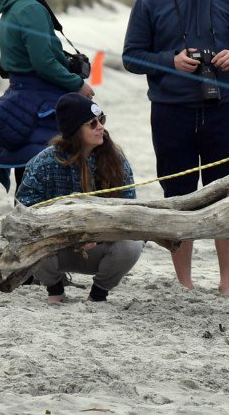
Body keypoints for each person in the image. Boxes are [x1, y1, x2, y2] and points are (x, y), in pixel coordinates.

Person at [122, 0, 229, 297]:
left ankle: (226, 286)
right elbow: (131, 57)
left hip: (223, 108)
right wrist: (170, 62)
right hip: (170, 111)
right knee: (178, 194)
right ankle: (185, 283)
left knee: (228, 194)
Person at [0, 0, 90, 190]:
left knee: (27, 178)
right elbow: (44, 63)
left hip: (20, 97)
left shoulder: (13, 6)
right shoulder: (31, 8)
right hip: (39, 102)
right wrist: (77, 84)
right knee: (45, 177)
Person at [15, 94, 144, 304]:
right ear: (74, 131)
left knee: (132, 244)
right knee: (29, 240)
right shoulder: (43, 163)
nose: (100, 127)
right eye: (92, 123)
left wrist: (99, 236)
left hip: (99, 248)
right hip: (56, 248)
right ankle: (55, 291)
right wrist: (67, 235)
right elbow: (23, 212)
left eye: (101, 120)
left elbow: (129, 210)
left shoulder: (115, 160)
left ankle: (98, 295)